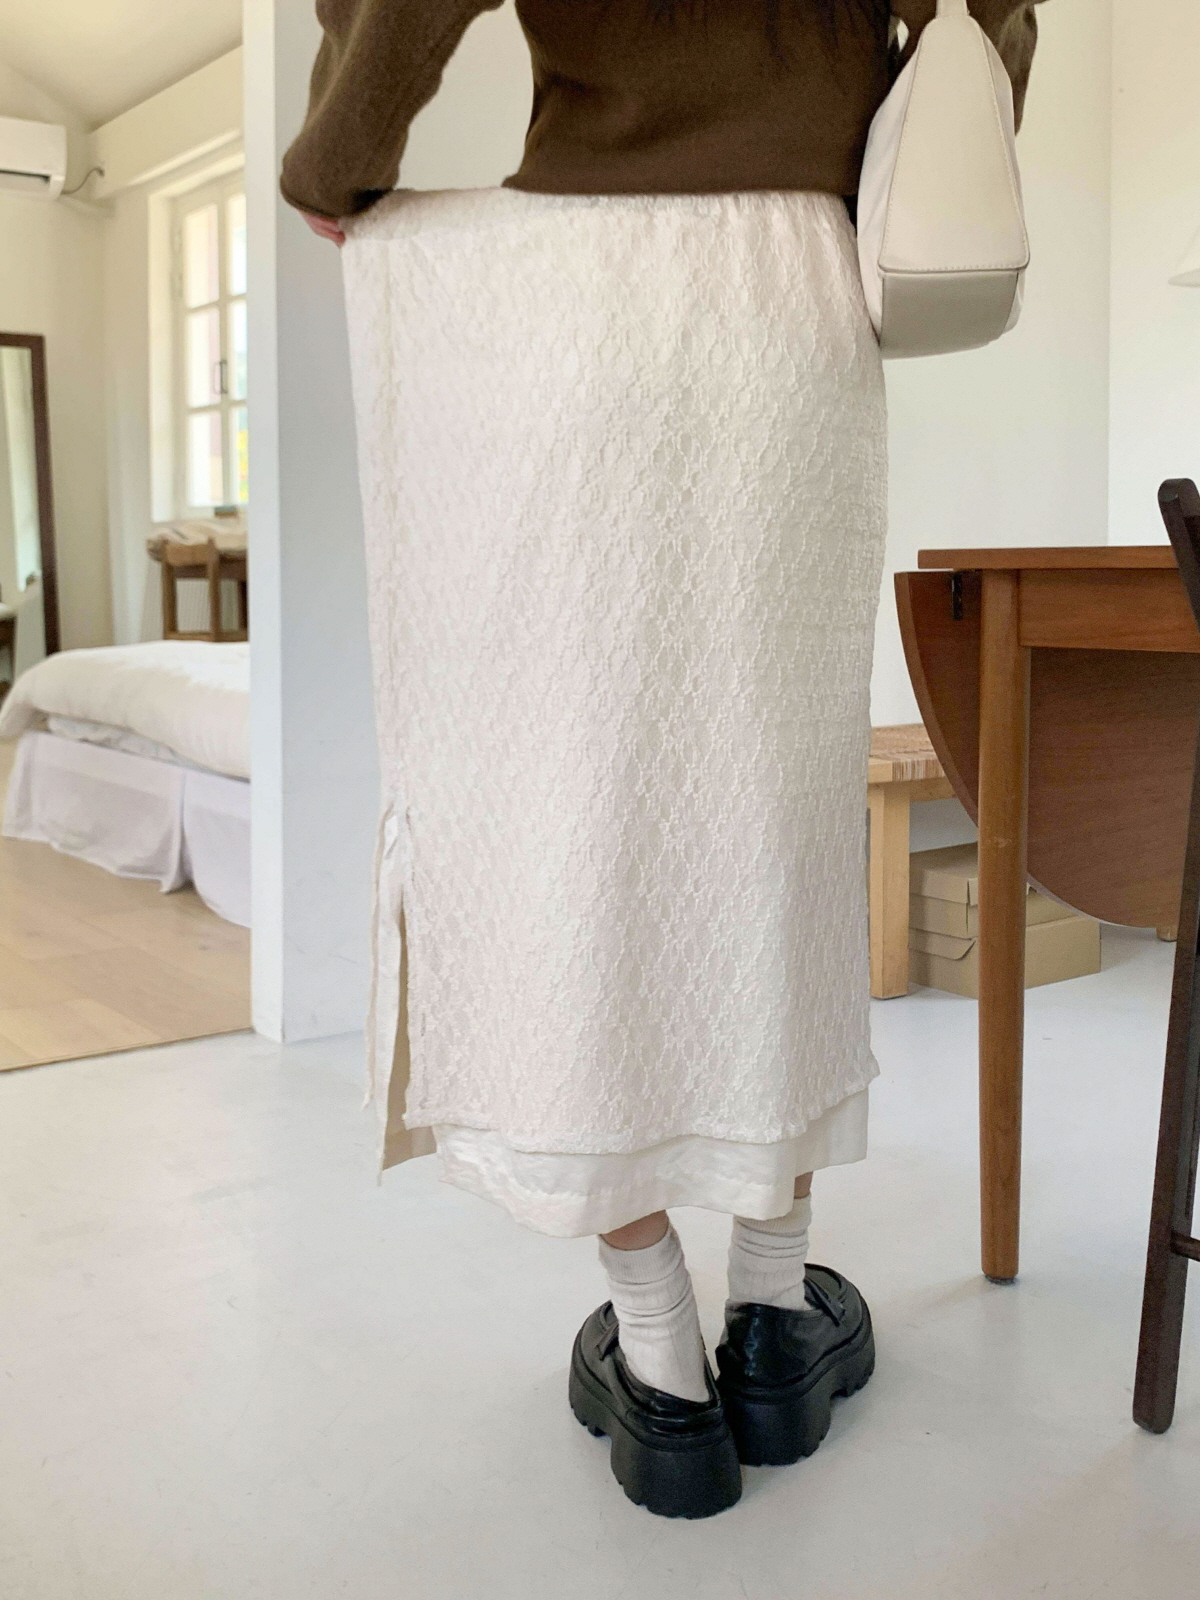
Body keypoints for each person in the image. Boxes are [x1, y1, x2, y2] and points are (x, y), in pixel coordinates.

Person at [281, 0, 1042, 1520]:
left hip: (571, 303)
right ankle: (775, 1321)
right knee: (772, 811)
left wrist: (335, 163)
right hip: (794, 301)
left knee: (569, 807)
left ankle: (662, 1365)